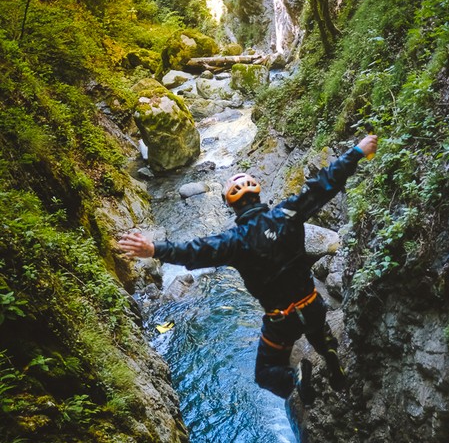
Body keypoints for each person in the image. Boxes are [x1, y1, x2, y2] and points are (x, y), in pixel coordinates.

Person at [118, 134, 377, 405]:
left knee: (265, 374)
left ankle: (296, 378)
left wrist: (154, 249)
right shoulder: (288, 213)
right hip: (311, 304)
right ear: (258, 194)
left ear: (230, 205)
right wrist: (357, 151)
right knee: (316, 328)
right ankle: (330, 357)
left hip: (281, 321)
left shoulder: (234, 242)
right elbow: (323, 185)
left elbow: (194, 251)